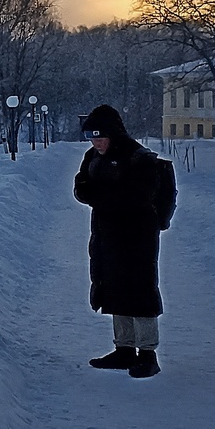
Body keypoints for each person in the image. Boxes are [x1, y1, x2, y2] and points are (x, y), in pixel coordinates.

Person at [72, 104, 176, 378]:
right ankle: (124, 349)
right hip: (107, 234)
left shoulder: (138, 158)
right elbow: (82, 187)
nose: (96, 142)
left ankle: (148, 354)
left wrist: (98, 194)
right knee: (114, 286)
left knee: (139, 289)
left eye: (100, 136)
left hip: (137, 235)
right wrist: (98, 194)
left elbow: (133, 198)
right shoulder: (93, 157)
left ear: (114, 133)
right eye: (91, 137)